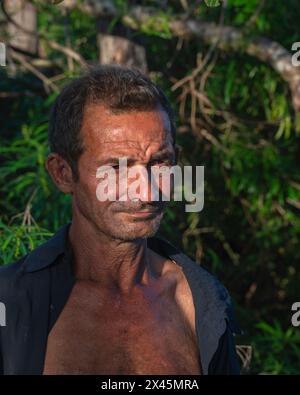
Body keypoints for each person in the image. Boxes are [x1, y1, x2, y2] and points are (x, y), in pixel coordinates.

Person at [0, 65, 241, 375]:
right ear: (62, 173)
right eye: (116, 167)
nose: (146, 189)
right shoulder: (13, 301)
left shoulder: (200, 300)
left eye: (159, 162)